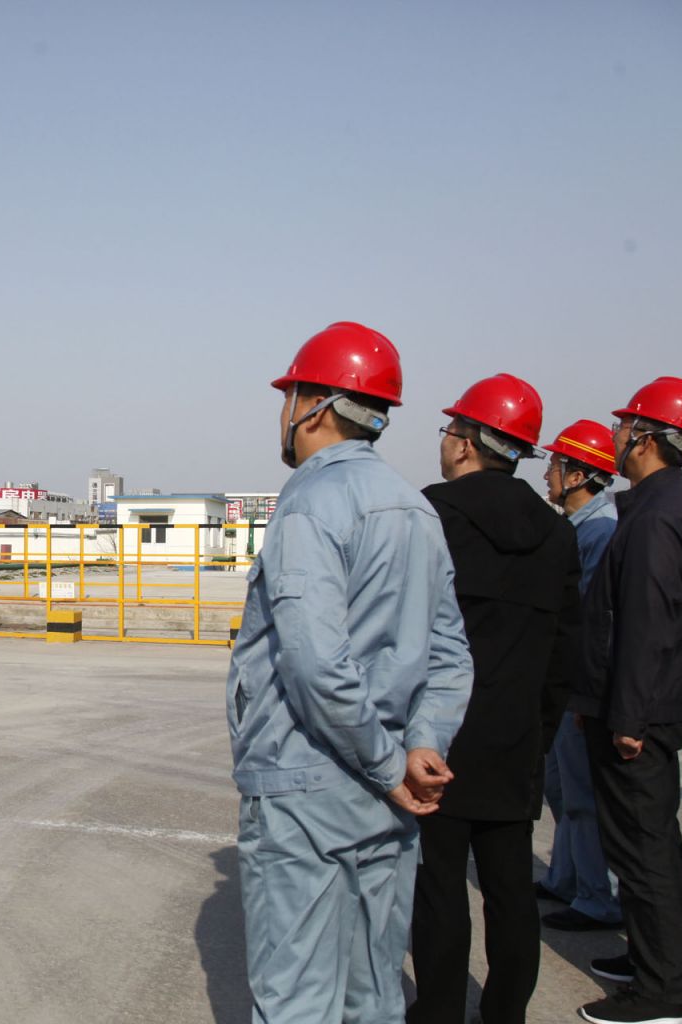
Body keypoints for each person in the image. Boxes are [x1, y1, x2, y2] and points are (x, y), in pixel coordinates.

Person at [227, 321, 474, 1024]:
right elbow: (451, 653)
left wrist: (386, 765)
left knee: (297, 999)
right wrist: (421, 747)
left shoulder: (310, 504)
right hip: (390, 792)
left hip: (308, 784)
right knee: (373, 996)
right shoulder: (416, 508)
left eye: (289, 396)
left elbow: (315, 664)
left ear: (313, 406)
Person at [407, 375, 581, 1024]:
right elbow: (565, 650)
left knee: (439, 887)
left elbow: (403, 631)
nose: (444, 442)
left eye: (450, 429)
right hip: (517, 736)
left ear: (467, 442)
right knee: (510, 890)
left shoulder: (432, 514)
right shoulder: (557, 533)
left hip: (439, 735)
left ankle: (439, 1012)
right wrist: (538, 729)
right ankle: (506, 1013)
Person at [570, 377, 682, 1024]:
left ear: (648, 438)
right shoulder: (658, 506)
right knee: (642, 846)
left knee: (645, 850)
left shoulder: (658, 517)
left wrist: (627, 717)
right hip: (643, 704)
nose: (616, 436)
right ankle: (651, 962)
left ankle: (661, 994)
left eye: (625, 426)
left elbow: (646, 626)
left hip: (641, 713)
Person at [538, 420, 624, 932]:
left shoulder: (600, 533)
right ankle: (566, 878)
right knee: (562, 788)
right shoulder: (579, 529)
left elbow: (590, 623)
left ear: (577, 477)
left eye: (554, 465)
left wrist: (583, 697)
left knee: (583, 798)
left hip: (579, 691)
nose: (547, 474)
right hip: (564, 688)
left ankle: (597, 898)